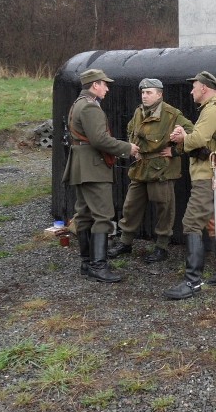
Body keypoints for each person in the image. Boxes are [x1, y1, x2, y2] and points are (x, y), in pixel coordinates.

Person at [163, 71, 216, 299]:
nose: (191, 91)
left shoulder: (212, 110)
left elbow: (197, 140)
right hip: (214, 173)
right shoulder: (212, 109)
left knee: (192, 222)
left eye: (194, 87)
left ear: (204, 87)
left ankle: (192, 282)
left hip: (210, 175)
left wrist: (182, 136)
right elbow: (202, 137)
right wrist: (185, 134)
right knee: (215, 221)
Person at [108, 78, 194, 263]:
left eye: (149, 93)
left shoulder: (172, 114)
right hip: (140, 168)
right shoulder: (139, 111)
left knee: (164, 207)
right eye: (143, 93)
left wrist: (175, 150)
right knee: (130, 206)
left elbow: (194, 135)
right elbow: (131, 129)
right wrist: (133, 148)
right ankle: (125, 243)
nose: (144, 96)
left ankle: (161, 247)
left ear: (160, 94)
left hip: (161, 170)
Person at [62, 68, 136, 283]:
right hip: (93, 167)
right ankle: (98, 266)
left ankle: (87, 262)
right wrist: (127, 148)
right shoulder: (90, 108)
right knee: (102, 216)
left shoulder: (78, 104)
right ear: (95, 85)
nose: (107, 88)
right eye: (104, 84)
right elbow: (99, 140)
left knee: (84, 214)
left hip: (81, 165)